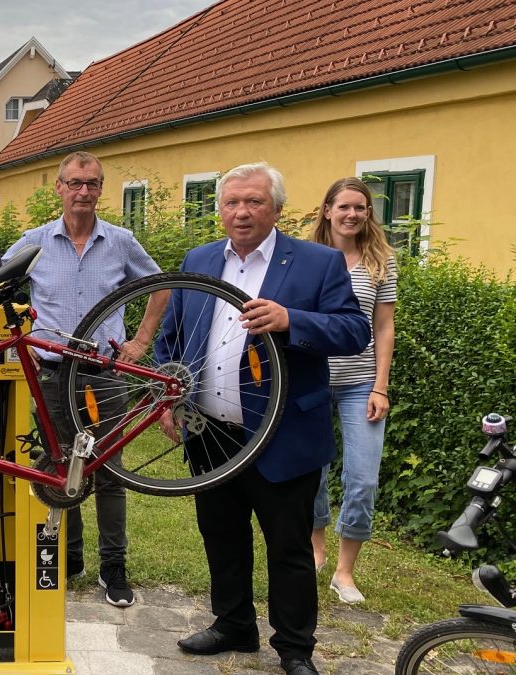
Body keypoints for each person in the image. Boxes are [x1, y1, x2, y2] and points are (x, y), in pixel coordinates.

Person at [159, 163, 369, 675]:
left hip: (284, 433)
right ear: (219, 209)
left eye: (253, 202)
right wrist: (167, 396)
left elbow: (353, 331)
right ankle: (233, 624)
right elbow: (173, 334)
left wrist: (292, 320)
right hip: (211, 431)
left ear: (276, 208)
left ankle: (295, 648)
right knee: (221, 535)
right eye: (231, 202)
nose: (241, 212)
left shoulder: (319, 262)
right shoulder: (200, 258)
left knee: (289, 548)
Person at [3, 151, 166, 607]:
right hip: (53, 375)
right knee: (60, 467)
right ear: (58, 188)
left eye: (92, 183)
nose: (83, 192)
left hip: (104, 373)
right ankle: (68, 558)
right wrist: (21, 350)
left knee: (110, 472)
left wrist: (139, 342)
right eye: (75, 183)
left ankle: (113, 566)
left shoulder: (120, 242)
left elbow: (161, 285)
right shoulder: (32, 243)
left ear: (100, 189)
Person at [308, 178, 398, 604]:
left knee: (363, 478)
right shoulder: (305, 259)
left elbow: (384, 327)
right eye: (344, 206)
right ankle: (316, 549)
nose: (352, 214)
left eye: (360, 208)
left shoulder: (382, 261)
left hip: (360, 383)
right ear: (327, 210)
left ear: (368, 214)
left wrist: (381, 386)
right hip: (309, 379)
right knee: (312, 474)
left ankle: (345, 572)